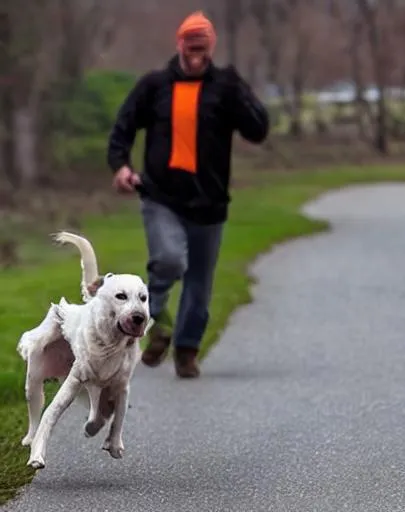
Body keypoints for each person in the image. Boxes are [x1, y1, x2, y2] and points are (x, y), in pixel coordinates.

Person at [106, 11, 269, 379]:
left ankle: (186, 351)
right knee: (167, 260)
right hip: (162, 196)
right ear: (179, 44)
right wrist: (121, 166)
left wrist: (239, 92)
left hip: (210, 203)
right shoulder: (155, 86)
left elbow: (257, 130)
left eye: (203, 47)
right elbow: (123, 127)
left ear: (211, 47)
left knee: (199, 284)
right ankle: (154, 319)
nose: (196, 54)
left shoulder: (225, 86)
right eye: (190, 46)